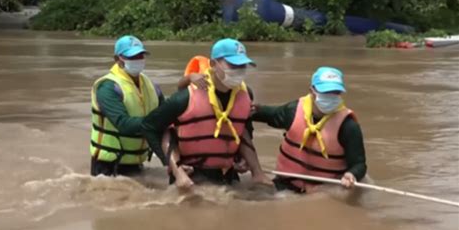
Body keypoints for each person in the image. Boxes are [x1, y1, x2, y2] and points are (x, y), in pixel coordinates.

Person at [141, 38, 273, 188]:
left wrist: (243, 159)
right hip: (191, 177)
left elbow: (244, 129)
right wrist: (170, 165)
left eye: (242, 65)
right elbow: (149, 126)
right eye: (233, 64)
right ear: (213, 64)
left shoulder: (246, 94)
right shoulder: (185, 98)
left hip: (229, 176)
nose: (239, 70)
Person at [252, 67, 367, 193]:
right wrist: (253, 110)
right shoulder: (293, 111)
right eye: (326, 91)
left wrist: (352, 174)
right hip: (285, 184)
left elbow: (359, 164)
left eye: (335, 92)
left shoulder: (348, 126)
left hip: (325, 190)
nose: (331, 96)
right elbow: (270, 114)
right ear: (312, 91)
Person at [90, 35, 165, 177]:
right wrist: (155, 122)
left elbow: (167, 115)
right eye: (132, 57)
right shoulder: (107, 87)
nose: (138, 60)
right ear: (118, 60)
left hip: (136, 161)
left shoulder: (151, 86)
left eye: (141, 55)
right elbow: (123, 123)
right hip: (108, 165)